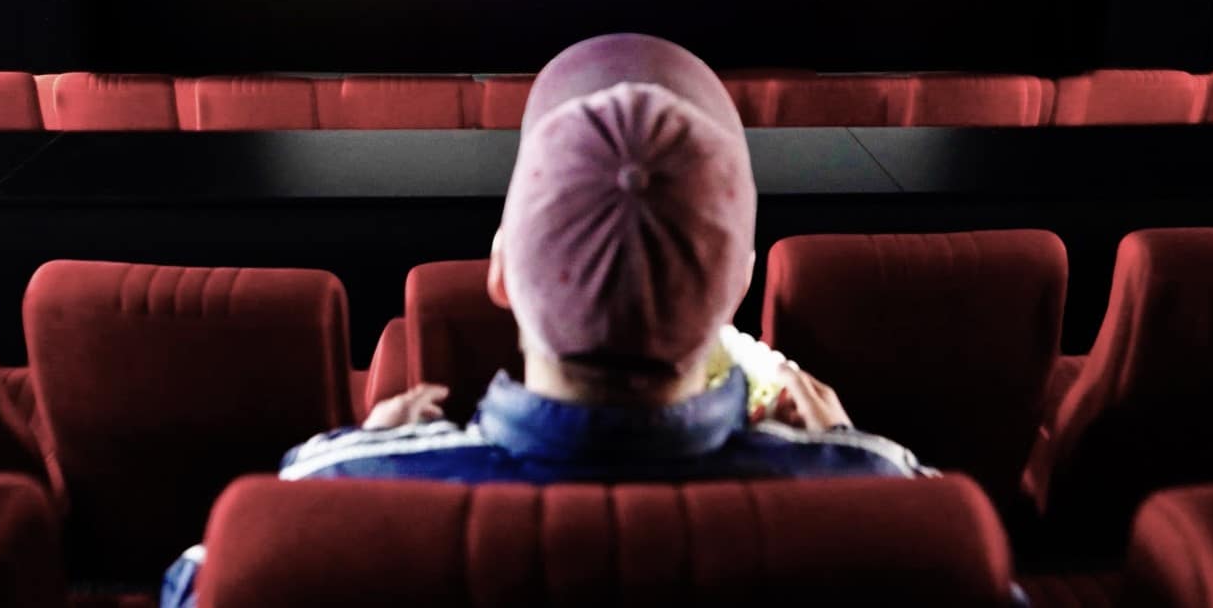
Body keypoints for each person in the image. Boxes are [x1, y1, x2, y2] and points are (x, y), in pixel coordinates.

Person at [158, 34, 925, 607]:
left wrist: (347, 463)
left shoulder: (316, 507)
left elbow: (196, 583)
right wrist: (851, 462)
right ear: (739, 285)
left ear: (499, 269)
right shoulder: (897, 512)